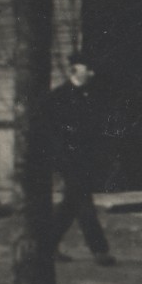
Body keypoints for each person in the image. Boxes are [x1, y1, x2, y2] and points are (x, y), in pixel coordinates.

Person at [40, 52, 117, 266]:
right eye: (87, 68)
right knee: (83, 202)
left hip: (86, 158)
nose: (92, 73)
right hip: (66, 159)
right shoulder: (58, 97)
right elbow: (51, 132)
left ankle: (46, 246)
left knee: (71, 204)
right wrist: (58, 158)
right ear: (74, 69)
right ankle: (99, 250)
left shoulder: (92, 96)